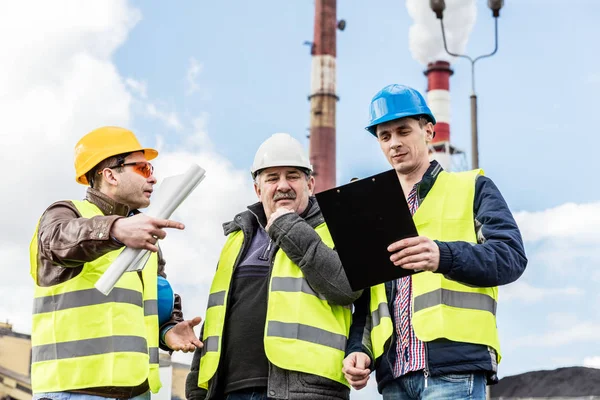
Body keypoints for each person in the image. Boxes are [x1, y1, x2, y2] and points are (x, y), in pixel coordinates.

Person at [342, 85, 527, 400]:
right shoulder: (372, 210)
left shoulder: (472, 188)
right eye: (385, 136)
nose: (395, 142)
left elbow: (510, 257)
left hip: (455, 370)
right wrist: (358, 349)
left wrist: (443, 255)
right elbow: (368, 299)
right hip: (394, 377)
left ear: (429, 131)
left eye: (403, 131)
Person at [29, 126, 203, 400]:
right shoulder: (66, 214)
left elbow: (153, 299)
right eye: (143, 168)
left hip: (136, 391)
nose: (153, 178)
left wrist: (168, 330)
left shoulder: (145, 234)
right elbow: (55, 241)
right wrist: (116, 229)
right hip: (72, 391)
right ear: (110, 174)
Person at [186, 133, 361, 400]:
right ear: (258, 190)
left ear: (310, 184)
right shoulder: (236, 238)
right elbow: (216, 317)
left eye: (292, 176)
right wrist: (197, 388)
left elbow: (346, 288)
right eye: (272, 178)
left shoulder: (335, 226)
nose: (283, 185)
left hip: (306, 390)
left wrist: (288, 225)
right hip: (229, 391)